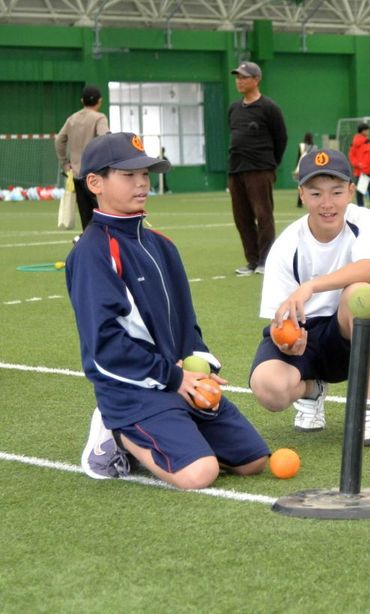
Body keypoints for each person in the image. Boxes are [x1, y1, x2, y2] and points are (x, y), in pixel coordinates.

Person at [69, 132, 269, 490]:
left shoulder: (162, 244)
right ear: (95, 183)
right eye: (128, 175)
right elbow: (106, 348)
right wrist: (174, 379)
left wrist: (201, 366)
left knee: (253, 460)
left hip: (177, 380)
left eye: (145, 174)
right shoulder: (93, 253)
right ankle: (116, 435)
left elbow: (185, 324)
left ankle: (175, 429)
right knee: (199, 474)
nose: (142, 182)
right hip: (132, 392)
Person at [249, 149, 370, 446]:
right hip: (303, 336)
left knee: (362, 295)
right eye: (316, 194)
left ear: (351, 191)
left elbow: (367, 268)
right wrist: (285, 342)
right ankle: (312, 390)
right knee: (268, 389)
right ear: (301, 194)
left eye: (337, 192)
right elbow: (278, 318)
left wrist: (311, 286)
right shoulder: (286, 245)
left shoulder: (363, 219)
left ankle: (367, 410)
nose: (327, 204)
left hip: (344, 337)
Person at [227, 61, 288, 276]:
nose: (239, 81)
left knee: (263, 215)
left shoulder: (269, 107)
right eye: (238, 77)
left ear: (256, 80)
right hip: (236, 170)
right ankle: (252, 261)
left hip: (260, 169)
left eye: (244, 77)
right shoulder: (234, 108)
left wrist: (270, 165)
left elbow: (281, 138)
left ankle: (266, 260)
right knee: (241, 217)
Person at [55, 85, 110, 236]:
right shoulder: (99, 118)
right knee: (105, 215)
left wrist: (65, 163)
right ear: (99, 101)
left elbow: (59, 140)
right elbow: (104, 138)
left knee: (87, 219)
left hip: (77, 175)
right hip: (95, 175)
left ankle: (87, 245)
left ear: (82, 101)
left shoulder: (72, 119)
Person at [349, 122, 370, 211]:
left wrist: (358, 164)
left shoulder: (354, 143)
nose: (368, 131)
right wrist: (364, 167)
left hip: (360, 171)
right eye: (367, 129)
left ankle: (360, 210)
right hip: (368, 171)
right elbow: (368, 156)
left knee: (360, 193)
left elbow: (351, 156)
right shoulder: (367, 142)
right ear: (363, 131)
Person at [293, 132, 317, 207]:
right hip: (311, 168)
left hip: (302, 167)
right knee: (311, 185)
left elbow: (298, 158)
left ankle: (299, 203)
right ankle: (311, 201)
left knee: (301, 185)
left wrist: (297, 168)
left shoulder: (301, 146)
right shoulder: (315, 147)